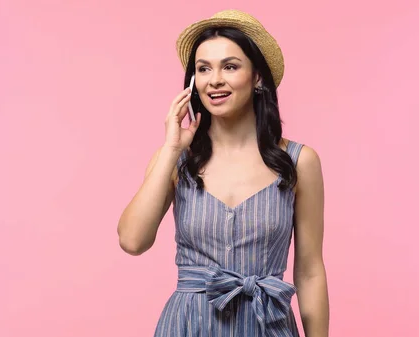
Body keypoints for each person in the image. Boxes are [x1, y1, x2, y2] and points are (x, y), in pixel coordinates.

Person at [117, 9, 329, 337]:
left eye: (229, 66)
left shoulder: (299, 161)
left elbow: (310, 270)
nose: (215, 80)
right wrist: (172, 149)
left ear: (258, 77)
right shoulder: (174, 160)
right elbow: (132, 241)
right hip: (188, 326)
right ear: (193, 82)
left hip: (267, 326)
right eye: (204, 69)